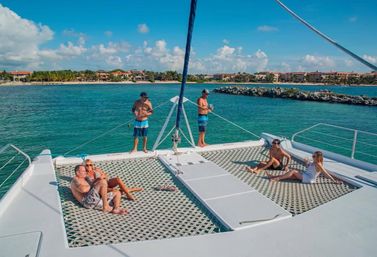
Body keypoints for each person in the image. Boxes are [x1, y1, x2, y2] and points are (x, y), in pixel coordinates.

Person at [266, 151, 341, 184]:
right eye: (312, 155)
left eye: (314, 156)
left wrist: (334, 181)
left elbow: (325, 173)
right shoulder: (314, 162)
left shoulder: (318, 164)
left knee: (293, 171)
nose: (312, 156)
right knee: (291, 176)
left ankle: (276, 179)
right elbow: (309, 167)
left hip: (309, 179)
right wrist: (306, 162)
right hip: (305, 175)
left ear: (318, 157)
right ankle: (273, 176)